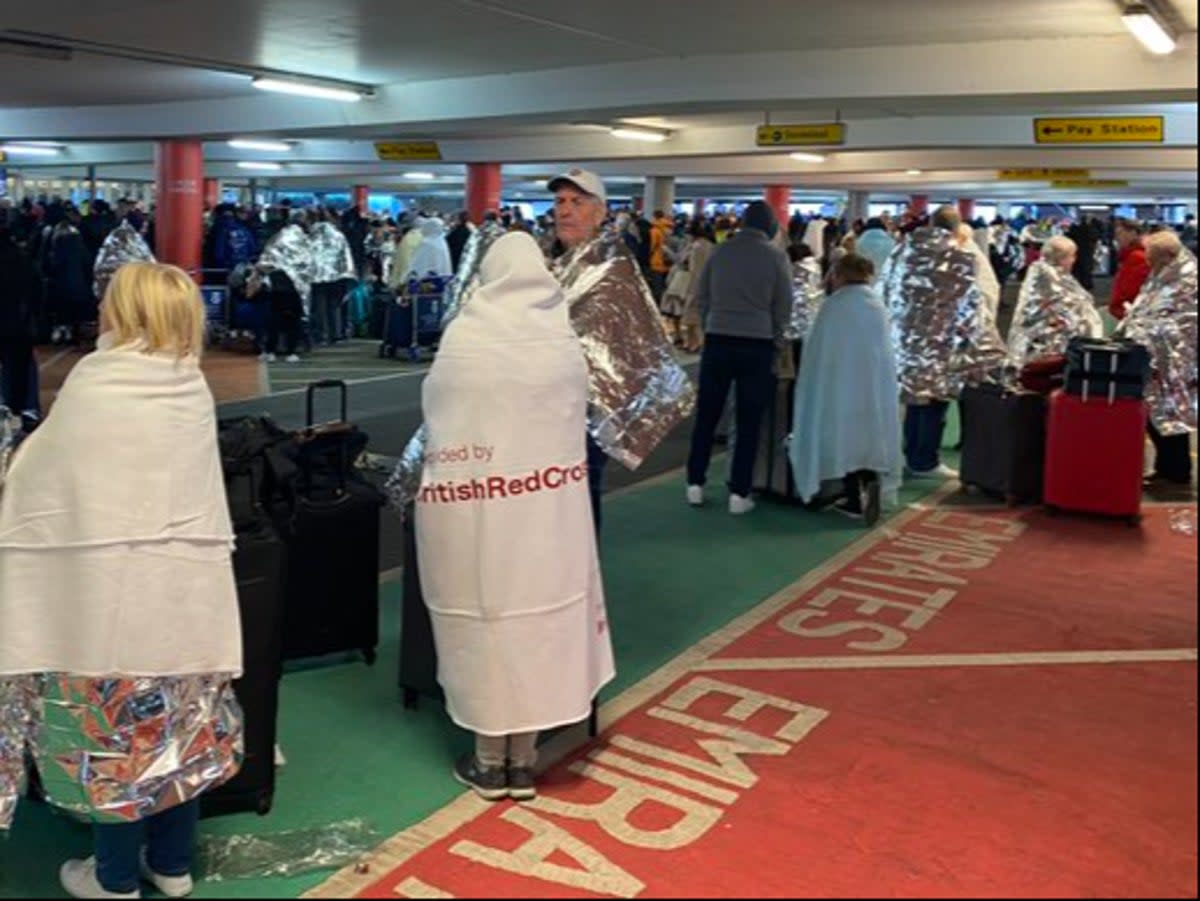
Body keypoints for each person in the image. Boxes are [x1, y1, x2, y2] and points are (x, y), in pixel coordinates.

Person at [0, 262, 243, 898]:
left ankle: (112, 879)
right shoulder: (191, 387)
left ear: (121, 311)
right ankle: (172, 866)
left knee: (116, 738)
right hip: (186, 597)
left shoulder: (96, 382)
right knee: (181, 730)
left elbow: (40, 480)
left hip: (109, 597)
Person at [414, 232, 613, 801]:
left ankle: (486, 758)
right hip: (546, 516)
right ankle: (522, 761)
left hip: (474, 511)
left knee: (482, 617)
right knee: (537, 623)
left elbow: (440, 408)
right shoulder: (559, 339)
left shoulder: (467, 335)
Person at [548, 169, 695, 531]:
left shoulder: (611, 269)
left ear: (599, 213)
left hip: (586, 412)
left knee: (579, 498)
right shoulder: (554, 265)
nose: (565, 210)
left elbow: (629, 345)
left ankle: (582, 580)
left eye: (577, 202)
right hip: (547, 409)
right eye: (560, 201)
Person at [881, 205, 1004, 479]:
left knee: (914, 399)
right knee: (935, 401)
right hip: (940, 342)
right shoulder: (960, 255)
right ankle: (925, 460)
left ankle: (911, 454)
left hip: (904, 341)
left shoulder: (902, 251)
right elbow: (974, 302)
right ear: (957, 228)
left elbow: (885, 289)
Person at [685, 200, 792, 515]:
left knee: (707, 415)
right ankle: (739, 492)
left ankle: (695, 483)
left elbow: (701, 297)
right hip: (756, 344)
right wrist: (775, 338)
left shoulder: (720, 252)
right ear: (769, 226)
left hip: (718, 340)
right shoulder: (776, 257)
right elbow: (783, 306)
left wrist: (711, 326)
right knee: (748, 421)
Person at [788, 254, 901, 524]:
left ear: (839, 275)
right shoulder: (876, 305)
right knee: (869, 438)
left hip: (840, 389)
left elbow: (818, 352)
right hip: (872, 390)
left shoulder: (834, 307)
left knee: (844, 440)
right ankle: (871, 481)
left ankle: (853, 499)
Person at [1118, 230, 1197, 488]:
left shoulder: (1186, 278)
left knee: (1172, 415)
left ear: (1166, 256)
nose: (1148, 264)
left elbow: (1178, 318)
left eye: (1152, 259)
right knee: (1159, 414)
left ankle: (1177, 471)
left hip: (1176, 357)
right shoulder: (1166, 274)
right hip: (1159, 355)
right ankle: (1168, 467)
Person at [1007, 235, 1104, 371]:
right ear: (1062, 258)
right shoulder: (1051, 278)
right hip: (1049, 350)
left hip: (1031, 346)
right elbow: (1066, 310)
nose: (1074, 260)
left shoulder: (1041, 271)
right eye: (1072, 256)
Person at [0, 224, 42, 431]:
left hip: (11, 320)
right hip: (18, 323)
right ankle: (28, 408)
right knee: (23, 366)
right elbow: (35, 289)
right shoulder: (20, 257)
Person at [1110, 218, 1151, 321]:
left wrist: (1120, 307)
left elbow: (1131, 289)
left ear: (1133, 233)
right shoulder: (1132, 255)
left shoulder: (1137, 257)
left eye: (1120, 233)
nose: (1117, 238)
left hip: (1128, 313)